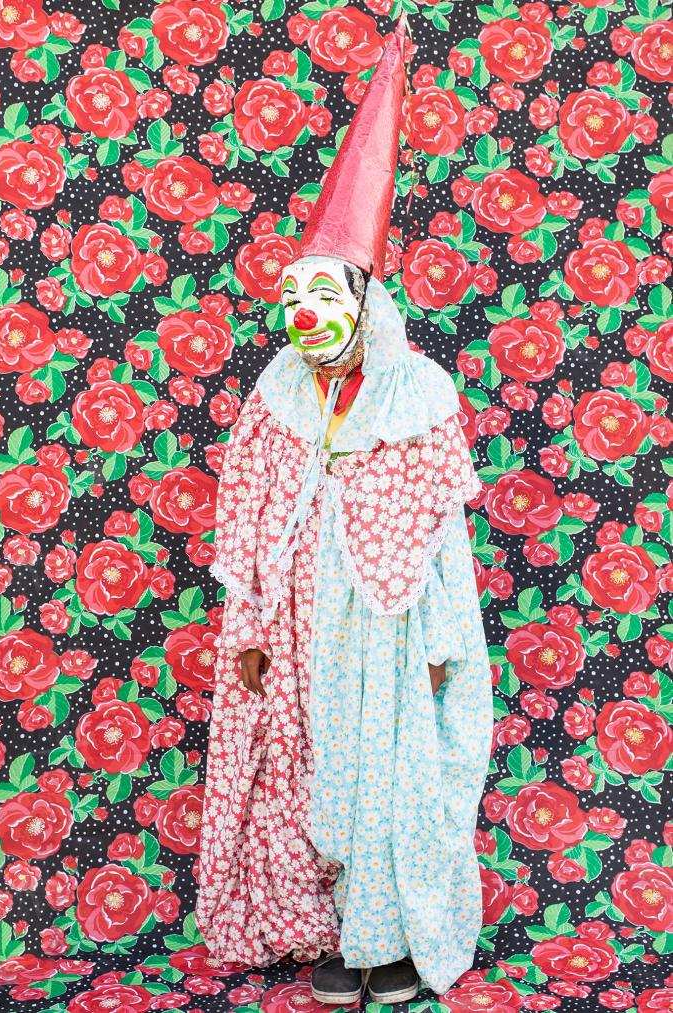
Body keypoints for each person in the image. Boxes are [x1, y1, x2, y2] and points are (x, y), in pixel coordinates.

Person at [195, 16, 494, 1005]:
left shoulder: (416, 396)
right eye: (296, 303)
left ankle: (397, 939)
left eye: (327, 299)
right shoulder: (279, 395)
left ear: (365, 303)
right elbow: (252, 512)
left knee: (394, 776)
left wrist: (442, 640)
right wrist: (250, 626)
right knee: (316, 778)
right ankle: (341, 931)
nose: (307, 320)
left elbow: (439, 533)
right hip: (306, 629)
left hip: (392, 634)